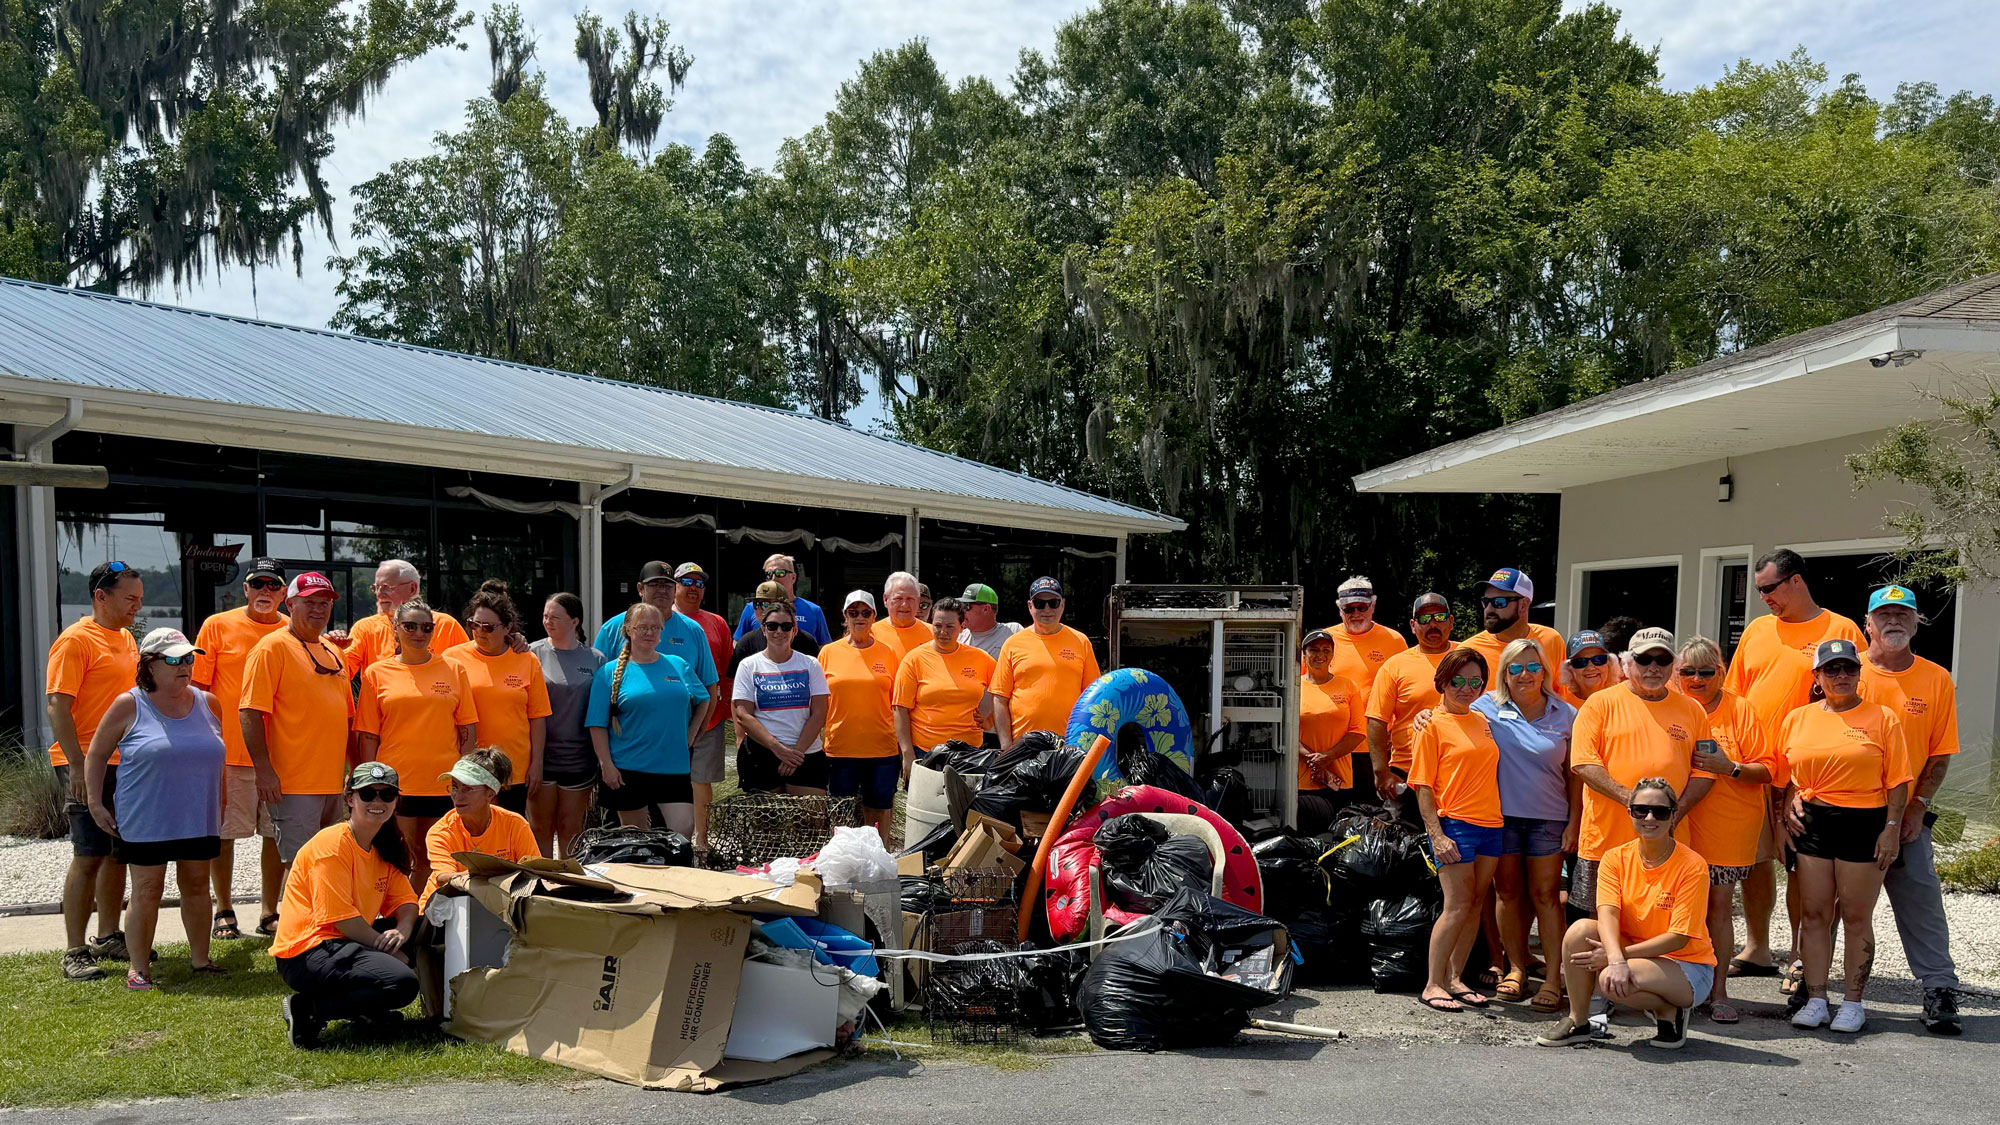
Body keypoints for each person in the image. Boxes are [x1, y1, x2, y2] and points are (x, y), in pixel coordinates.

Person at [1722, 548, 1866, 983]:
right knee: (1754, 859)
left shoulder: (1840, 629)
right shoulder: (1757, 630)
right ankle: (1758, 948)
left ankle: (1803, 955)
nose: (1763, 597)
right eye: (1759, 590)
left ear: (1796, 581)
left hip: (1807, 768)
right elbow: (1735, 695)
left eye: (1769, 588)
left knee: (1803, 863)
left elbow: (1852, 696)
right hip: (1754, 763)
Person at [83, 628, 228, 989]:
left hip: (199, 814)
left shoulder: (209, 702)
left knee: (196, 885)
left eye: (189, 658)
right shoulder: (129, 704)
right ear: (148, 665)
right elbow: (97, 755)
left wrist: (222, 803)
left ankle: (201, 959)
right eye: (175, 659)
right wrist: (95, 802)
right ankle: (139, 968)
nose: (185, 666)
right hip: (146, 816)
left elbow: (216, 760)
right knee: (147, 889)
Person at [1779, 639, 1912, 1034]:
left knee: (1855, 916)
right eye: (1831, 669)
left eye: (1848, 669)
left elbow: (1899, 782)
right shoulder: (1797, 718)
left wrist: (1891, 830)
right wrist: (1786, 808)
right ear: (1817, 676)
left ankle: (1853, 1002)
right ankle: (1817, 997)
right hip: (1812, 823)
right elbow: (1785, 774)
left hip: (1864, 821)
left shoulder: (1883, 717)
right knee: (1814, 914)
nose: (1841, 676)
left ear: (1858, 673)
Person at [1857, 584, 1963, 1034]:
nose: (1894, 622)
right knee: (1827, 901)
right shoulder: (1843, 669)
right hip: (1844, 809)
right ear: (1868, 623)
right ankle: (1813, 980)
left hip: (1904, 817)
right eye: (1884, 615)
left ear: (1918, 622)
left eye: (1903, 615)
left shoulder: (1936, 678)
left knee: (1920, 894)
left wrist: (1917, 808)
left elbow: (1939, 755)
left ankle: (1939, 989)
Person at [1539, 778, 1714, 1050]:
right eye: (1641, 810)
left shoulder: (1693, 866)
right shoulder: (1614, 858)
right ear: (1629, 812)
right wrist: (1616, 956)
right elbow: (1607, 913)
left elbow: (1678, 938)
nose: (1650, 817)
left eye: (1660, 811)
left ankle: (1670, 1012)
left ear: (1674, 815)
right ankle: (1578, 1020)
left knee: (1611, 980)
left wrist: (1615, 959)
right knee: (1579, 931)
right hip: (1634, 953)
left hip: (1686, 965)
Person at [271, 762, 420, 1050]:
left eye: (387, 795)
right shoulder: (332, 845)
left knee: (425, 930)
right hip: (307, 951)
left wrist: (402, 930)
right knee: (401, 983)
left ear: (395, 801)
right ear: (350, 799)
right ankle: (308, 1010)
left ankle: (370, 1010)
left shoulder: (384, 844)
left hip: (345, 941)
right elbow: (341, 920)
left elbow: (406, 901)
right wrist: (388, 949)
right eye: (368, 794)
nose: (378, 802)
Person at [239, 571, 356, 936]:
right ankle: (294, 941)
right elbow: (250, 712)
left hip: (330, 784)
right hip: (292, 782)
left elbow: (346, 718)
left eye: (325, 603)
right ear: (290, 605)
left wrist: (352, 770)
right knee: (299, 865)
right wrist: (264, 771)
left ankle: (320, 932)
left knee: (328, 863)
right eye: (310, 602)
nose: (319, 609)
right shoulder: (271, 648)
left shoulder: (334, 652)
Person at [1568, 627, 1711, 925]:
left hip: (1666, 843)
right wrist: (1630, 800)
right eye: (1645, 660)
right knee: (1597, 928)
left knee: (1660, 925)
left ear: (1673, 665)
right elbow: (1583, 763)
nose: (1654, 668)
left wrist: (1673, 813)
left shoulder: (1693, 710)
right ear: (1626, 663)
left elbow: (1705, 770)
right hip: (1606, 842)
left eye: (1663, 660)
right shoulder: (1599, 704)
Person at [1674, 635, 1782, 1024]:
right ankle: (1678, 985)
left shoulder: (1741, 709)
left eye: (1707, 671)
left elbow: (1768, 768)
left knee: (1717, 909)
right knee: (1678, 909)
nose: (1697, 679)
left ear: (1722, 673)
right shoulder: (1671, 705)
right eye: (1688, 671)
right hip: (1677, 825)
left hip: (1727, 828)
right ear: (1676, 674)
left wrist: (1729, 767)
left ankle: (1718, 992)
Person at [47, 560, 142, 981]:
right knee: (88, 855)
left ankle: (108, 936)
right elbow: (58, 706)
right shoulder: (75, 641)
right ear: (101, 597)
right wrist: (78, 764)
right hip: (86, 760)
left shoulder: (125, 638)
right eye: (130, 599)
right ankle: (74, 949)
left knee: (117, 854)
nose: (137, 607)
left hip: (125, 763)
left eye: (140, 599)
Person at [1470, 637, 1577, 1012]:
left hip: (1549, 817)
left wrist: (1574, 822)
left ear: (1545, 671)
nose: (1525, 674)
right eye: (1516, 667)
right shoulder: (1485, 708)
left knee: (1547, 897)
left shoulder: (1565, 714)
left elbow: (1573, 775)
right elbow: (1447, 718)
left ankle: (1552, 979)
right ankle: (1515, 969)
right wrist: (1422, 718)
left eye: (1533, 667)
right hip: (1501, 818)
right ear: (1504, 673)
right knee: (1507, 894)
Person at [192, 557, 290, 943]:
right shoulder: (217, 626)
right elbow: (199, 691)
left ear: (284, 593)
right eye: (258, 584)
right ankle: (224, 909)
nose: (265, 591)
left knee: (274, 835)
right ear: (245, 589)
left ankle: (269, 911)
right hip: (228, 755)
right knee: (224, 836)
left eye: (273, 585)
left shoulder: (294, 630)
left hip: (280, 756)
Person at [354, 600, 477, 900]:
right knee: (396, 858)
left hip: (442, 783)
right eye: (409, 626)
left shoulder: (453, 669)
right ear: (395, 630)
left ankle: (417, 918)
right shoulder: (376, 673)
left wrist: (463, 779)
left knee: (432, 859)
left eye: (426, 627)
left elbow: (468, 730)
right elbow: (368, 734)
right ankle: (393, 915)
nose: (418, 633)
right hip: (396, 784)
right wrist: (368, 782)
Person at [1410, 648, 1503, 1013]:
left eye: (1475, 681)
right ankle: (1433, 984)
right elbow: (1422, 785)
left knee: (1475, 905)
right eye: (1458, 681)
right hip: (1455, 823)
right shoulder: (1432, 723)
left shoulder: (1482, 720)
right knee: (1457, 905)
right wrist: (1437, 833)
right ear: (1443, 683)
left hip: (1491, 824)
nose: (1467, 688)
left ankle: (1455, 978)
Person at [587, 603, 709, 834]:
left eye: (655, 627)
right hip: (628, 769)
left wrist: (692, 733)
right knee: (636, 838)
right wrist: (606, 766)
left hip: (674, 766)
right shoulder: (608, 672)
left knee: (683, 830)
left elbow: (703, 698)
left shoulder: (677, 664)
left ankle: (671, 871)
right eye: (642, 627)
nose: (649, 633)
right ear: (629, 630)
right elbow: (597, 724)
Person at [443, 581, 551, 815]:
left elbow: (538, 717)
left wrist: (537, 764)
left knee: (509, 834)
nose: (480, 632)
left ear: (507, 627)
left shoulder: (526, 659)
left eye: (488, 627)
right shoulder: (452, 658)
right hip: (469, 766)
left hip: (514, 768)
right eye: (474, 625)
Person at [818, 590, 901, 844]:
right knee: (841, 813)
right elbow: (819, 702)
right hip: (841, 748)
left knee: (879, 809)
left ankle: (879, 859)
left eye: (866, 612)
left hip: (882, 749)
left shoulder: (888, 653)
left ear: (874, 616)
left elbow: (897, 702)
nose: (860, 617)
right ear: (845, 616)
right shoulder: (828, 653)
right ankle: (843, 860)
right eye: (853, 612)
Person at [529, 593, 606, 856]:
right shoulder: (531, 653)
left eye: (555, 617)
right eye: (545, 616)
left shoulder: (596, 659)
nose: (547, 621)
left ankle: (567, 883)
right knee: (540, 829)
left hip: (579, 760)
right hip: (541, 759)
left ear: (575, 621)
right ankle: (541, 884)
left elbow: (603, 711)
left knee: (570, 829)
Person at [1365, 593, 1456, 816]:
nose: (1432, 624)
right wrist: (1381, 771)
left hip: (1458, 771)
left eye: (1439, 617)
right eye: (1424, 619)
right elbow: (1376, 719)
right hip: (1408, 772)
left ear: (1451, 622)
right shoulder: (1395, 666)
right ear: (1413, 626)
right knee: (1402, 845)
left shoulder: (1467, 658)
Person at [990, 577, 1102, 751]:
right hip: (1023, 746)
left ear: (1063, 604)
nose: (1047, 609)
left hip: (1069, 745)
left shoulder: (1081, 642)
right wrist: (1006, 746)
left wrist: (1086, 743)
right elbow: (999, 699)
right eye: (1040, 604)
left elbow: (1094, 698)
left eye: (1053, 603)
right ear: (1030, 606)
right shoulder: (1013, 644)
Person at [420, 749, 539, 911]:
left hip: (499, 905)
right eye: (454, 787)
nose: (458, 796)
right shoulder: (440, 832)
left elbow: (533, 872)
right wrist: (497, 874)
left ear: (490, 794)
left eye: (467, 789)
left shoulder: (515, 824)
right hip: (445, 908)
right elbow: (443, 878)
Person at [733, 602, 832, 795]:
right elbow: (743, 715)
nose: (779, 631)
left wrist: (796, 753)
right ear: (763, 629)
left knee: (812, 820)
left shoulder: (811, 664)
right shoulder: (748, 665)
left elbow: (820, 713)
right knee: (767, 822)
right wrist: (777, 749)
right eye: (772, 626)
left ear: (794, 630)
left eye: (786, 626)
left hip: (805, 753)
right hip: (762, 754)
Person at [672, 563, 735, 853]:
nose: (693, 588)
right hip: (668, 717)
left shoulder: (717, 623)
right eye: (687, 581)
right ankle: (671, 838)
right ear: (674, 586)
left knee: (701, 780)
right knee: (669, 780)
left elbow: (726, 671)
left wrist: (729, 711)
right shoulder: (661, 620)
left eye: (699, 583)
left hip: (710, 716)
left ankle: (702, 840)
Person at [894, 597, 997, 768]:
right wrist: (907, 754)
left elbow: (1003, 691)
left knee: (964, 796)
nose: (943, 632)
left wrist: (989, 721)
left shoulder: (980, 658)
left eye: (950, 627)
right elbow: (899, 708)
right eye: (938, 626)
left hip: (970, 752)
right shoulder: (914, 659)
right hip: (925, 751)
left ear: (962, 626)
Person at [332, 560, 469, 678]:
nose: (380, 594)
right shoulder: (365, 628)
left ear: (412, 589)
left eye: (386, 587)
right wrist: (332, 651)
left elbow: (468, 671)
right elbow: (342, 673)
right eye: (376, 588)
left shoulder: (446, 625)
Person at [1297, 629, 1366, 834]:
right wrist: (1312, 758)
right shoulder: (1294, 686)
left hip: (1339, 779)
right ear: (1304, 654)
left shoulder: (1348, 686)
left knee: (1337, 836)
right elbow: (1285, 732)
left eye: (1326, 650)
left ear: (1332, 654)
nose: (1320, 655)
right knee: (1306, 834)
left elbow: (1358, 732)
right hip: (1301, 779)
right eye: (1314, 650)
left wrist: (1327, 757)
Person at [1458, 567, 1565, 680]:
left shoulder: (1551, 640)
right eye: (1486, 602)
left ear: (1523, 605)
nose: (1489, 609)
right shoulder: (1467, 651)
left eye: (1499, 602)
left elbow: (1561, 694)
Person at [1322, 575, 1408, 693]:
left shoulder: (1394, 640)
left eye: (1362, 608)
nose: (1356, 614)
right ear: (1340, 610)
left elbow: (1406, 685)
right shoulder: (1323, 640)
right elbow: (1304, 682)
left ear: (1372, 606)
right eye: (1349, 609)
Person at [731, 552, 832, 645]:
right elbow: (738, 644)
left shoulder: (813, 610)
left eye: (780, 573)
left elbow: (823, 648)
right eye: (769, 574)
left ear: (793, 577)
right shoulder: (753, 607)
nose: (774, 578)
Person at [870, 571, 931, 669]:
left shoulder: (934, 635)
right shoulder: (870, 634)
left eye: (910, 599)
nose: (904, 605)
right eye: (898, 598)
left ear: (918, 601)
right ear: (886, 600)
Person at [1556, 629, 1622, 708]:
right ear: (1569, 669)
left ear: (1610, 663)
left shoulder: (1623, 699)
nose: (1590, 668)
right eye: (1581, 662)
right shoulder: (1561, 707)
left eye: (1598, 659)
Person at [958, 583, 1022, 661]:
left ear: (986, 609)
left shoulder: (1012, 631)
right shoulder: (959, 637)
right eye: (961, 606)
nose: (962, 611)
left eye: (966, 606)